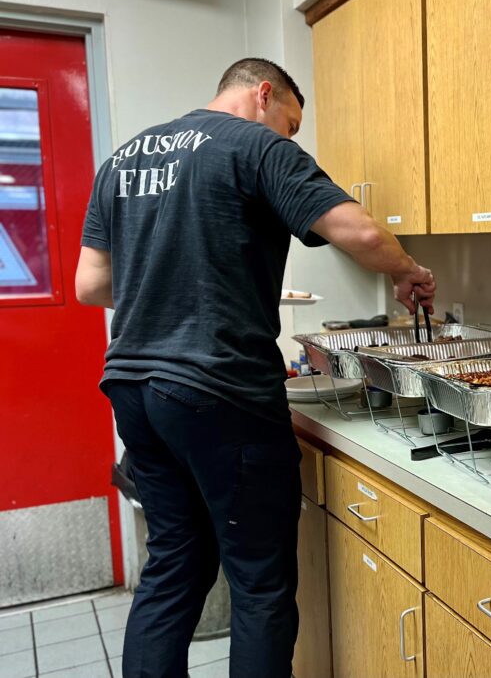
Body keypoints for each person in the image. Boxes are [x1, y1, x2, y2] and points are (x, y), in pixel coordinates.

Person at [74, 58, 435, 678]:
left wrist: (168, 284)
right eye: (290, 123)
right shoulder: (255, 147)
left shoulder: (123, 159)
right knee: (259, 583)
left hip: (132, 388)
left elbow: (91, 285)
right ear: (263, 94)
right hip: (220, 391)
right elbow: (362, 234)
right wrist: (408, 271)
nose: (289, 138)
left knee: (173, 566)